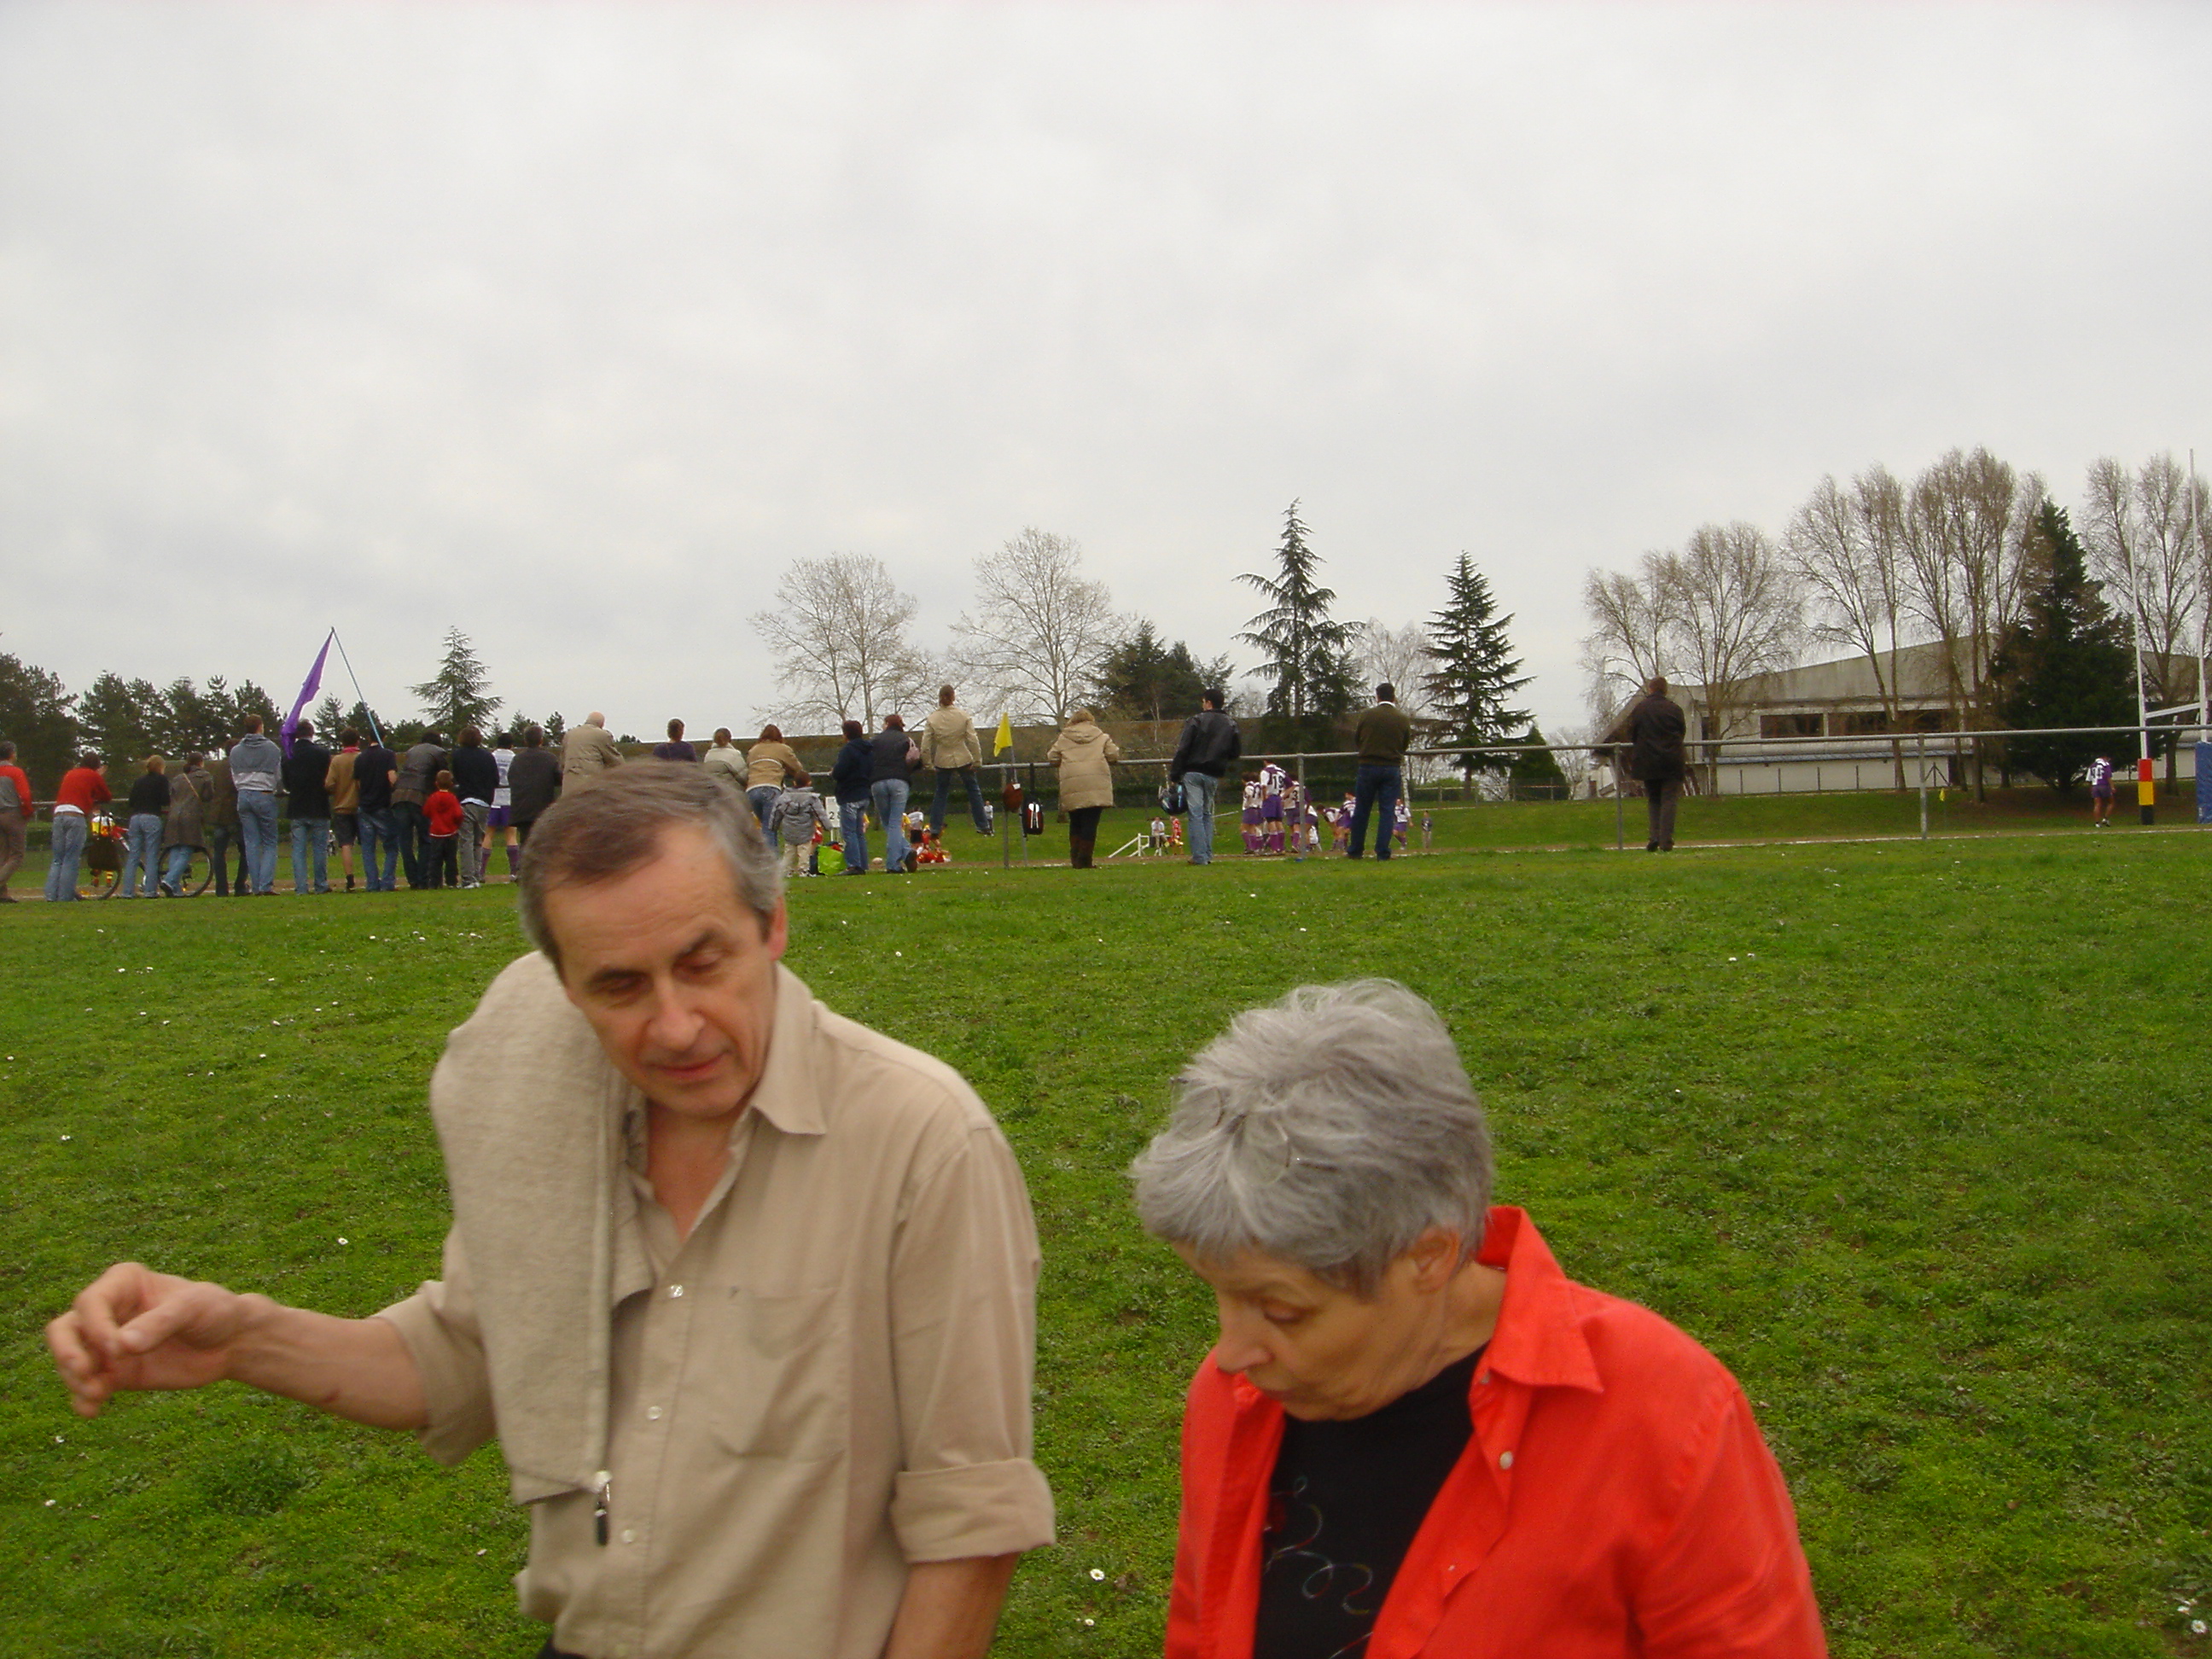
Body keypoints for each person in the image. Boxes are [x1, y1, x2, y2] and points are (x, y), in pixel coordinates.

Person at [48, 764, 1054, 1658]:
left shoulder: (924, 1141)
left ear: (773, 925)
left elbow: (972, 1524)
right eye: (618, 986)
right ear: (565, 986)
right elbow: (468, 1357)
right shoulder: (547, 1107)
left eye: (703, 962)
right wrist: (240, 1337)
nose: (674, 1026)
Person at [1130, 981, 1825, 1659]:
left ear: (1429, 1255)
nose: (1230, 1353)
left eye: (1283, 1309)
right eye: (1218, 1293)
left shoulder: (1662, 1417)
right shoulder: (1236, 1401)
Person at [1613, 677, 1688, 853]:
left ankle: (1654, 836)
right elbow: (1681, 732)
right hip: (1672, 760)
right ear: (1665, 690)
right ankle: (1666, 840)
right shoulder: (1674, 709)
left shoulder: (1640, 709)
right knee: (1669, 800)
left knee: (1654, 799)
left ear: (1650, 689)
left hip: (1648, 761)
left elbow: (1632, 734)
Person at [1168, 689, 1242, 865]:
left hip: (1193, 771)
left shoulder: (1196, 720)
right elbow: (1235, 751)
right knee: (1207, 813)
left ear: (1208, 703)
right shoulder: (1230, 723)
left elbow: (1183, 748)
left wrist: (1175, 773)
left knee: (1195, 814)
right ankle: (1207, 854)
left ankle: (1199, 856)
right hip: (1213, 773)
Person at [1045, 708, 1120, 870]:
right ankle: (1085, 860)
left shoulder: (1064, 738)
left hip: (1072, 783)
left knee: (1075, 822)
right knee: (1090, 823)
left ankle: (1075, 859)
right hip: (1096, 783)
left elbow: (1052, 757)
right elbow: (1113, 755)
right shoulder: (1101, 736)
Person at [1348, 683, 1413, 860]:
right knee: (1387, 811)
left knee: (1362, 809)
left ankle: (1356, 850)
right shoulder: (1402, 718)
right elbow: (1405, 743)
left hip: (1368, 766)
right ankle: (1383, 851)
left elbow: (1358, 738)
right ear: (1394, 696)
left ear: (1377, 696)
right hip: (1391, 767)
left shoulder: (1367, 715)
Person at [921, 685, 992, 839]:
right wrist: (977, 761)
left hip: (942, 759)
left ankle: (935, 827)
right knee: (973, 791)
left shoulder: (932, 719)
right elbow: (972, 739)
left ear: (939, 697)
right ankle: (983, 825)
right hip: (963, 757)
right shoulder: (963, 716)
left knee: (940, 793)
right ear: (953, 697)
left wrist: (928, 764)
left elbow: (925, 745)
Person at [46, 752, 111, 902]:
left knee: (58, 858)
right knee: (71, 858)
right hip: (75, 815)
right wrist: (99, 777)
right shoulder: (93, 775)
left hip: (59, 814)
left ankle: (51, 895)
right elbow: (106, 796)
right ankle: (65, 896)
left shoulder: (70, 773)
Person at [230, 717, 284, 895]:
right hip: (264, 793)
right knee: (269, 841)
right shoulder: (272, 749)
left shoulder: (236, 751)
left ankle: (255, 886)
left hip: (243, 795)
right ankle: (265, 885)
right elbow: (277, 775)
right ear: (261, 727)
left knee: (251, 843)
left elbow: (234, 775)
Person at [393, 731, 449, 890]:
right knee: (425, 839)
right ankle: (423, 878)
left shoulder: (411, 751)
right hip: (420, 796)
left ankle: (412, 878)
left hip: (399, 795)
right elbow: (444, 777)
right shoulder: (439, 752)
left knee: (405, 841)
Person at [283, 719, 335, 895]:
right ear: (312, 733)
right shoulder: (323, 754)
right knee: (320, 849)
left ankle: (301, 887)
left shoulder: (289, 755)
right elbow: (328, 780)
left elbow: (287, 784)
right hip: (319, 805)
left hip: (297, 807)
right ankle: (321, 884)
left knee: (298, 851)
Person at [451, 728, 499, 890]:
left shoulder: (458, 755)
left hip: (466, 800)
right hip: (485, 802)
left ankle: (467, 878)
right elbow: (495, 780)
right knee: (479, 840)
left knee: (466, 840)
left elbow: (456, 777)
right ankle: (477, 875)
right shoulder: (488, 756)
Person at [869, 714, 917, 873]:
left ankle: (905, 852)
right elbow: (916, 759)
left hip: (877, 782)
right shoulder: (906, 740)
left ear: (886, 724)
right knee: (895, 823)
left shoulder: (874, 741)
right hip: (899, 781)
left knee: (888, 823)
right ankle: (894, 863)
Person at [354, 731, 401, 894]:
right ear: (384, 737)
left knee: (368, 848)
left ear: (368, 738)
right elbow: (392, 777)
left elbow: (358, 783)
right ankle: (387, 882)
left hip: (364, 806)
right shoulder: (388, 755)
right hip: (382, 805)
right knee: (391, 846)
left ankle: (372, 884)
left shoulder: (360, 757)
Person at [745, 725, 808, 840]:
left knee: (763, 825)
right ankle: (771, 852)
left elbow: (748, 766)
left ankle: (762, 850)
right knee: (769, 828)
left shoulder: (753, 750)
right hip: (771, 788)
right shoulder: (782, 749)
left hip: (752, 790)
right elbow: (798, 769)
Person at [162, 753, 212, 896]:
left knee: (175, 849)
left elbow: (171, 796)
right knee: (186, 850)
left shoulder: (178, 778)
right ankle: (169, 880)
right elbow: (208, 796)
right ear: (201, 762)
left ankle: (175, 889)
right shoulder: (204, 776)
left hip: (173, 816)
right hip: (190, 816)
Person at [119, 755, 169, 899]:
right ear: (161, 767)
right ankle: (150, 890)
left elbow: (131, 801)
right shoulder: (161, 780)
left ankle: (127, 891)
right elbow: (165, 800)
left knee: (133, 856)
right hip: (152, 816)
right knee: (151, 855)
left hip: (135, 818)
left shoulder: (139, 781)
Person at [829, 719, 874, 876]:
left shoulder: (848, 750)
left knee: (849, 832)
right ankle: (863, 863)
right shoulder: (869, 749)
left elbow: (840, 771)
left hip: (849, 794)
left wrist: (833, 772)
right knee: (859, 832)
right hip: (864, 793)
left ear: (846, 734)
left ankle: (854, 865)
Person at [507, 725, 562, 851]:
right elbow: (559, 779)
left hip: (522, 809)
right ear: (541, 740)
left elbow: (511, 778)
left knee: (525, 843)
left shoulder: (517, 759)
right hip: (543, 808)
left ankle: (524, 863)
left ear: (525, 741)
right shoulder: (550, 758)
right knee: (544, 844)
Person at [205, 748, 248, 898]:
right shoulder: (238, 765)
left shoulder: (217, 767)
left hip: (218, 814)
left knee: (219, 853)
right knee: (246, 851)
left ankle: (221, 888)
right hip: (234, 814)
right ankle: (240, 885)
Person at [325, 730, 364, 891]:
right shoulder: (362, 758)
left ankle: (350, 878)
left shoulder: (337, 760)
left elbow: (329, 784)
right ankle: (372, 876)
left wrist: (338, 791)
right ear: (358, 741)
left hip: (342, 807)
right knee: (367, 843)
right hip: (361, 806)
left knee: (346, 844)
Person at [771, 783, 832, 880]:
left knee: (789, 852)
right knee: (804, 851)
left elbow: (776, 813)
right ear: (808, 783)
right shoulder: (811, 798)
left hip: (789, 831)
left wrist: (773, 827)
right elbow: (820, 813)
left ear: (794, 783)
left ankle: (785, 870)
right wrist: (827, 826)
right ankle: (803, 870)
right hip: (805, 830)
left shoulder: (783, 798)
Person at [0, 739, 35, 901]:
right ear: (12, 754)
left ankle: (2, 894)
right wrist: (27, 812)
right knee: (16, 855)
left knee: (2, 855)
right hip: (12, 814)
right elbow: (25, 796)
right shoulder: (15, 772)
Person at [560, 712, 625, 787]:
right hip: (590, 784)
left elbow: (563, 760)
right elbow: (615, 760)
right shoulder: (602, 735)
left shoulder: (569, 734)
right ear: (602, 724)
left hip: (569, 785)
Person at [488, 731, 521, 882]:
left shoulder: (492, 756)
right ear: (511, 745)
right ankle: (514, 872)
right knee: (511, 835)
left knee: (488, 834)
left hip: (493, 798)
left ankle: (480, 872)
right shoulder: (514, 758)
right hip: (508, 797)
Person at [424, 769, 463, 888]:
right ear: (451, 784)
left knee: (435, 859)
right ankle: (451, 881)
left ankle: (434, 882)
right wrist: (456, 824)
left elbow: (426, 811)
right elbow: (458, 814)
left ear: (436, 783)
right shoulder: (452, 798)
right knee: (451, 859)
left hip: (436, 833)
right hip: (450, 833)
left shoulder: (432, 797)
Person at [701, 727, 748, 798]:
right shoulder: (734, 754)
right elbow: (743, 777)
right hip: (731, 793)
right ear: (730, 739)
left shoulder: (708, 755)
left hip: (712, 793)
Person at [2087, 754, 2115, 828]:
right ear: (2104, 757)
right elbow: (2108, 777)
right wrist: (2112, 787)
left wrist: (2091, 788)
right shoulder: (2105, 764)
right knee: (2111, 802)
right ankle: (2105, 818)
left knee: (2097, 804)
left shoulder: (2092, 766)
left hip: (2095, 786)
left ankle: (2097, 823)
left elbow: (2089, 779)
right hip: (2104, 785)